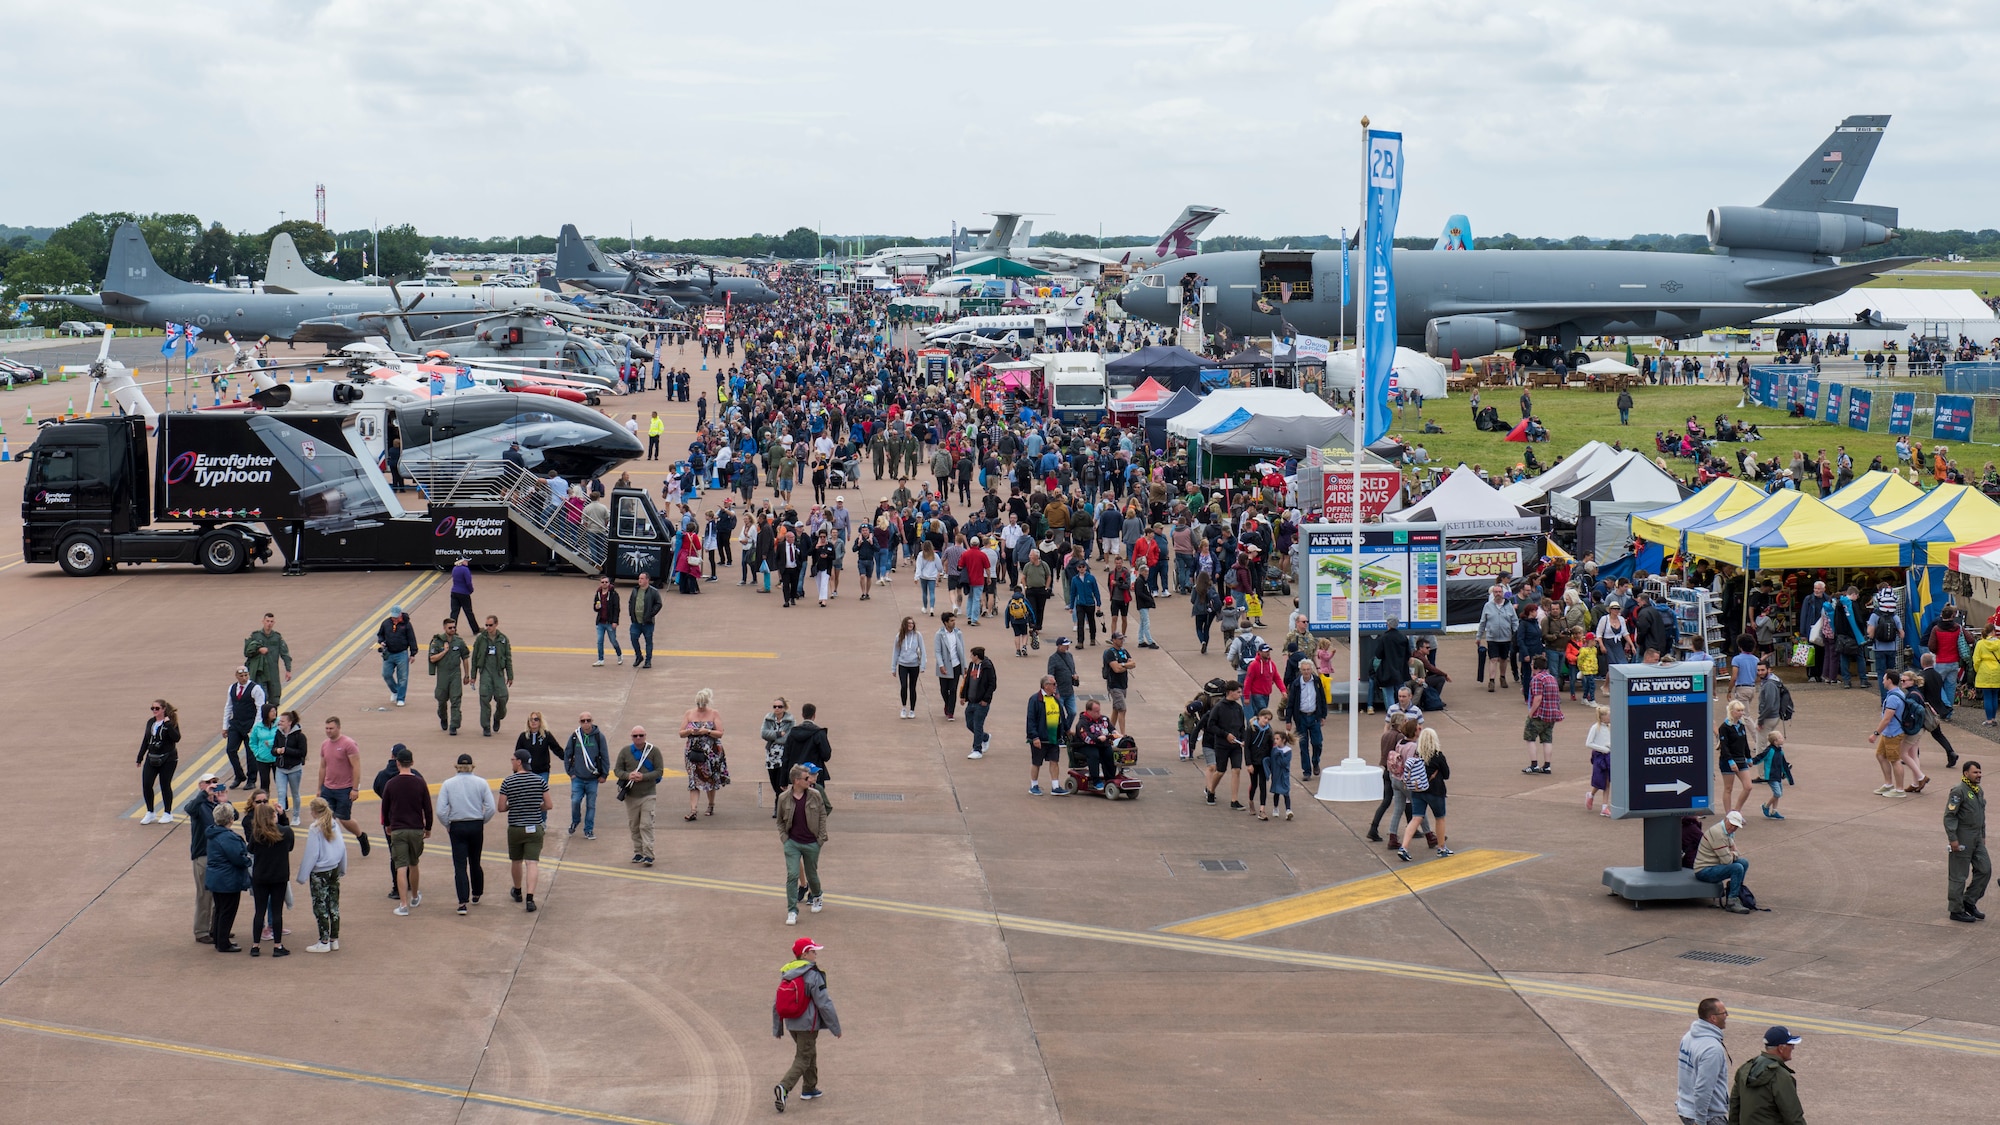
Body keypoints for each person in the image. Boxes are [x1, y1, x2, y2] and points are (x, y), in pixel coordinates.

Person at [772, 936, 842, 1112]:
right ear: (804, 954)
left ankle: (809, 1088)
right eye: (812, 951)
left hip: (792, 1025)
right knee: (803, 1057)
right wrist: (835, 1027)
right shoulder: (812, 975)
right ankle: (784, 1087)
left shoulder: (788, 973)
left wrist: (778, 1027)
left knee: (809, 1052)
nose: (815, 954)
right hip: (807, 1025)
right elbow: (824, 1003)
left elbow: (777, 1003)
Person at [437, 752, 497, 915]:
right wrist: (481, 820)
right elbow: (491, 807)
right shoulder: (481, 783)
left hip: (457, 825)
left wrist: (447, 824)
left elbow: (441, 811)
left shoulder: (448, 784)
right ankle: (477, 893)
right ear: (472, 767)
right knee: (475, 861)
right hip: (476, 824)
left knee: (460, 864)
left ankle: (462, 902)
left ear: (457, 767)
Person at [381, 745, 434, 916]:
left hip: (398, 829)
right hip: (416, 828)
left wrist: (388, 825)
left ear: (397, 762)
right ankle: (415, 896)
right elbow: (428, 808)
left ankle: (403, 905)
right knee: (414, 863)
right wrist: (428, 827)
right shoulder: (419, 782)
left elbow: (385, 808)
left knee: (401, 866)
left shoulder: (391, 784)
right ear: (412, 762)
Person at [497, 748, 552, 912]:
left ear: (519, 762)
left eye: (513, 759)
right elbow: (549, 805)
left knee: (516, 860)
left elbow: (501, 807)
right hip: (534, 826)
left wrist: (512, 806)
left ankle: (518, 890)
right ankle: (530, 898)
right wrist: (535, 807)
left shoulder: (508, 781)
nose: (512, 762)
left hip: (515, 827)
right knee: (532, 863)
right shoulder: (539, 781)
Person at [778, 765, 830, 926]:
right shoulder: (784, 798)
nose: (810, 780)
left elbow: (822, 815)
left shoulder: (815, 795)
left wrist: (820, 839)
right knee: (792, 875)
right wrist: (785, 838)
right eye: (806, 778)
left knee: (811, 874)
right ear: (796, 781)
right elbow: (780, 820)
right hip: (792, 843)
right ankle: (792, 910)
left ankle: (817, 895)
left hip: (812, 842)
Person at [243, 798, 293, 957]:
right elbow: (290, 847)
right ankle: (277, 946)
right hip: (279, 876)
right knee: (277, 911)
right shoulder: (285, 832)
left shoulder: (257, 834)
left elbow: (250, 850)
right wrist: (283, 816)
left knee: (259, 911)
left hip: (260, 877)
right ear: (273, 816)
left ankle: (255, 946)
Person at [297, 795, 347, 953]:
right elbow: (342, 847)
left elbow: (312, 854)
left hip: (320, 872)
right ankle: (334, 939)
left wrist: (302, 876)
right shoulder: (334, 824)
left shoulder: (315, 828)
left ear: (314, 811)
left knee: (320, 906)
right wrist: (342, 867)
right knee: (334, 905)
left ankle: (323, 941)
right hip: (334, 869)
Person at [315, 716, 371, 856]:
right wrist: (319, 788)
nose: (328, 731)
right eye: (326, 728)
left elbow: (356, 767)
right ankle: (331, 849)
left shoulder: (349, 744)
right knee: (326, 820)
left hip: (344, 789)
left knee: (344, 819)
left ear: (338, 728)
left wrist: (355, 788)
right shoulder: (325, 745)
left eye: (331, 728)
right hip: (328, 788)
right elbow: (323, 767)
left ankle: (360, 836)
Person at [1727, 1027, 1806, 1124]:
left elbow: (1734, 1107)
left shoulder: (1745, 1069)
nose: (1793, 1048)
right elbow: (1793, 1117)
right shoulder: (1781, 1076)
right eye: (1790, 1045)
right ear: (1781, 1048)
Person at [203, 800, 251, 952]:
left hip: (216, 878)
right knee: (228, 911)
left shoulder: (213, 833)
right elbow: (237, 858)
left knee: (219, 909)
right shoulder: (228, 837)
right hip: (228, 879)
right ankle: (223, 943)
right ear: (231, 819)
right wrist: (247, 860)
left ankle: (219, 939)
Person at [1675, 998, 1731, 1125]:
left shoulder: (1688, 1037)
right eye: (1724, 1013)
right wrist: (1700, 1121)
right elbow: (1703, 1088)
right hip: (1708, 1117)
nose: (1726, 1016)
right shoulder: (1712, 1049)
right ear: (1713, 1018)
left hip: (1686, 1109)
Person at [1946, 760, 1989, 923]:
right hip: (1962, 837)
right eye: (1975, 772)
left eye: (1979, 772)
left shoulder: (1978, 791)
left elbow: (1981, 816)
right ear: (1966, 774)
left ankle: (1969, 901)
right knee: (1958, 875)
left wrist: (1983, 835)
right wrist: (1953, 839)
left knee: (1985, 869)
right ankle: (1956, 910)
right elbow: (1949, 816)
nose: (1979, 775)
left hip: (1977, 837)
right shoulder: (1959, 791)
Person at [616, 726, 663, 866]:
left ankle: (648, 854)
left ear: (645, 735)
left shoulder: (654, 751)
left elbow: (659, 771)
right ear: (631, 737)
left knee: (646, 825)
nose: (638, 738)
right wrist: (628, 775)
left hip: (648, 794)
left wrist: (643, 777)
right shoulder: (625, 752)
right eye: (635, 736)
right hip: (631, 796)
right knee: (634, 825)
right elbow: (617, 770)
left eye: (641, 735)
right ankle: (638, 852)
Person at [681, 688, 730, 821]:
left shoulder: (714, 713)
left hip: (711, 752)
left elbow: (720, 733)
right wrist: (690, 731)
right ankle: (693, 810)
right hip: (693, 751)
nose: (700, 707)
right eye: (698, 704)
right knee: (693, 779)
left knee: (709, 778)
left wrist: (706, 731)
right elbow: (681, 732)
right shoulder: (689, 713)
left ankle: (710, 805)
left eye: (702, 705)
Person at [1201, 680, 1248, 809]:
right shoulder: (1219, 707)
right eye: (1238, 692)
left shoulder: (1238, 708)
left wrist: (1243, 739)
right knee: (1220, 771)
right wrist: (1225, 735)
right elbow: (1211, 725)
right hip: (1222, 745)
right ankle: (1211, 790)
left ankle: (1234, 800)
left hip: (1236, 746)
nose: (1241, 695)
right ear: (1230, 692)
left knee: (1236, 770)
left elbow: (1242, 727)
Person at [1694, 810, 1753, 914]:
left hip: (1715, 864)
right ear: (1726, 820)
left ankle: (1736, 892)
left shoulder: (1726, 831)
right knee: (1737, 868)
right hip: (1704, 870)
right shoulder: (1718, 834)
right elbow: (1727, 860)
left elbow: (1733, 853)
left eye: (1736, 826)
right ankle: (1732, 902)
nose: (1733, 828)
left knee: (1744, 862)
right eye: (1732, 825)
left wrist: (1732, 853)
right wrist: (1734, 853)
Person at [1026, 674, 1074, 796]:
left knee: (1054, 761)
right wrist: (1034, 737)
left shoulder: (1055, 699)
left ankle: (1055, 786)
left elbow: (1061, 717)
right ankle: (1034, 786)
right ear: (1045, 685)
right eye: (1053, 684)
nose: (1055, 686)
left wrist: (1067, 731)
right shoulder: (1035, 700)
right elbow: (1031, 720)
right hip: (1040, 739)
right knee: (1036, 762)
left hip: (1053, 738)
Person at [564, 712, 610, 838]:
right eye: (583, 721)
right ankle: (575, 820)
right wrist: (570, 772)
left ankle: (588, 829)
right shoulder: (575, 737)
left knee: (591, 805)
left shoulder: (599, 737)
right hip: (577, 778)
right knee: (575, 801)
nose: (586, 723)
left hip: (592, 779)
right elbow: (567, 754)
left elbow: (605, 756)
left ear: (592, 721)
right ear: (579, 722)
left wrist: (604, 774)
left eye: (588, 720)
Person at [1870, 671, 1914, 798]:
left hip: (1893, 733)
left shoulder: (1893, 698)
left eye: (1884, 679)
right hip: (1889, 733)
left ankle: (1899, 790)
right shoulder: (1896, 694)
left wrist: (1875, 734)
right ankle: (1888, 784)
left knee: (1895, 760)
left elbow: (1887, 719)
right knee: (1880, 755)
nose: (1883, 681)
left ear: (1889, 680)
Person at [137, 699, 182, 824]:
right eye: (152, 708)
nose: (154, 711)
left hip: (168, 759)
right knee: (146, 784)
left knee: (164, 785)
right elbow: (146, 740)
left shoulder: (170, 722)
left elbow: (177, 738)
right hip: (152, 757)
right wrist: (140, 757)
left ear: (163, 709)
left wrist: (168, 725)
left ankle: (168, 813)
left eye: (157, 708)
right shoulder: (151, 722)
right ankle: (150, 812)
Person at [222, 665, 266, 789]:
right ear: (236, 676)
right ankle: (239, 775)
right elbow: (228, 707)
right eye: (241, 676)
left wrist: (255, 727)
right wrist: (225, 726)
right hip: (236, 723)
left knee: (250, 752)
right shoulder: (232, 688)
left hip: (250, 724)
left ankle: (251, 779)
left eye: (246, 675)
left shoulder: (255, 689)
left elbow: (260, 708)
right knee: (230, 750)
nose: (244, 678)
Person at [472, 616, 514, 737]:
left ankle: (497, 717)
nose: (488, 628)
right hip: (485, 672)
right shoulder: (481, 639)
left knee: (503, 698)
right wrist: (473, 675)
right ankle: (486, 726)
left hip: (498, 673)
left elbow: (508, 658)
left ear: (496, 624)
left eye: (490, 625)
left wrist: (510, 675)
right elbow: (475, 657)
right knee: (484, 698)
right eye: (486, 625)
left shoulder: (503, 639)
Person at [428, 618, 472, 736]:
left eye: (454, 627)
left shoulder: (459, 642)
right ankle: (443, 716)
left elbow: (465, 658)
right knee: (441, 699)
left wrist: (467, 675)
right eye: (450, 628)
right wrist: (444, 651)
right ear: (444, 628)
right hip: (443, 674)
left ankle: (454, 725)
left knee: (456, 699)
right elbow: (432, 658)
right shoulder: (437, 642)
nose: (453, 629)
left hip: (455, 674)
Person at [1523, 654, 1564, 774]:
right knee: (1547, 740)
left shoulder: (1537, 679)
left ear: (1535, 666)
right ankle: (1547, 765)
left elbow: (1538, 698)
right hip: (1552, 714)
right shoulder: (1551, 678)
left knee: (1530, 738)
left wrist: (1531, 713)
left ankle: (1534, 764)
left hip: (1539, 714)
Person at [243, 612, 292, 708]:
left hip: (273, 672)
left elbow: (285, 653)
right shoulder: (255, 636)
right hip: (260, 673)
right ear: (263, 621)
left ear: (274, 623)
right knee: (261, 699)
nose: (269, 623)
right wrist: (258, 650)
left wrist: (288, 670)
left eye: (271, 621)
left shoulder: (277, 637)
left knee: (274, 699)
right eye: (267, 621)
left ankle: (272, 721)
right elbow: (247, 652)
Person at [1717, 700, 1755, 815]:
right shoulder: (1724, 727)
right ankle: (1728, 814)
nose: (1741, 713)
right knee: (1728, 788)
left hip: (1740, 759)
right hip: (1728, 760)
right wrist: (1730, 761)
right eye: (1738, 710)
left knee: (1748, 786)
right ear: (1731, 711)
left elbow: (1745, 743)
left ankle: (1736, 811)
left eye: (1742, 710)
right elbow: (1724, 746)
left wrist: (1748, 757)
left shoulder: (1741, 725)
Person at [375, 604, 416, 706]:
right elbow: (380, 635)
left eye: (396, 616)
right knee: (386, 674)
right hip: (389, 653)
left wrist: (413, 653)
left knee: (403, 677)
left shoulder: (406, 624)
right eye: (393, 616)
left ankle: (401, 698)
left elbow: (412, 638)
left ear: (400, 614)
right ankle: (395, 691)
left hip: (402, 653)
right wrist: (382, 641)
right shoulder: (386, 623)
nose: (394, 618)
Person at [961, 646, 996, 760]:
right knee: (969, 724)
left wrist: (986, 699)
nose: (970, 657)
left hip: (981, 703)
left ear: (976, 656)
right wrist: (963, 696)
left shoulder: (987, 667)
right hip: (971, 701)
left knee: (977, 725)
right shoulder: (972, 665)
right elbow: (967, 681)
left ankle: (977, 749)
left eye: (971, 655)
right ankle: (985, 737)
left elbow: (992, 684)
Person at [1477, 586, 1516, 691]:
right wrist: (1478, 636)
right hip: (1492, 638)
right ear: (1493, 593)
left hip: (1506, 637)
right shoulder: (1487, 606)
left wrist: (1516, 635)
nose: (1498, 594)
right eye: (1496, 592)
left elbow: (1514, 621)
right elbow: (1482, 622)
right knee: (1493, 659)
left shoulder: (1509, 606)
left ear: (1503, 593)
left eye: (1500, 592)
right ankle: (1491, 681)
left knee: (1503, 659)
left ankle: (1502, 677)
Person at [762, 699, 797, 812]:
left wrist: (773, 737)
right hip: (771, 756)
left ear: (784, 708)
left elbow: (788, 737)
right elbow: (763, 733)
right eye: (775, 706)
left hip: (783, 755)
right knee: (773, 780)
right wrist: (778, 734)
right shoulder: (768, 718)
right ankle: (780, 802)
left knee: (781, 782)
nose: (777, 709)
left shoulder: (790, 721)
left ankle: (778, 805)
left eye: (780, 706)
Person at [273, 710, 307, 820]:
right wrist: (277, 751)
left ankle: (296, 816)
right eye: (279, 721)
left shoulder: (300, 736)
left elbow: (302, 753)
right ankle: (281, 817)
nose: (280, 723)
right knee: (281, 793)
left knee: (295, 794)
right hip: (280, 769)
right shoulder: (278, 733)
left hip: (294, 769)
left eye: (282, 721)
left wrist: (286, 750)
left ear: (289, 722)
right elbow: (273, 749)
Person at [891, 616, 927, 719]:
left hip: (914, 665)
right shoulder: (899, 636)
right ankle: (903, 707)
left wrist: (923, 665)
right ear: (904, 625)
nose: (910, 625)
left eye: (912, 623)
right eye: (908, 623)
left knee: (912, 687)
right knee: (903, 686)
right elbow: (895, 652)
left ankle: (912, 710)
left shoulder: (917, 635)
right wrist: (893, 667)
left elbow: (923, 650)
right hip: (903, 664)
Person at [1754, 730, 1794, 820]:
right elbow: (1760, 757)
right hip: (1771, 776)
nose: (1782, 738)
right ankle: (1766, 806)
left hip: (1778, 776)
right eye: (1780, 738)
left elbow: (1784, 765)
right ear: (1775, 741)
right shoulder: (1770, 750)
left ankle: (1774, 811)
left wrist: (1789, 778)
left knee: (1778, 793)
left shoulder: (1780, 751)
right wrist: (1750, 761)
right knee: (1777, 793)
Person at [934, 612, 967, 721]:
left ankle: (951, 712)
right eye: (951, 621)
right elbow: (937, 652)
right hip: (945, 665)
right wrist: (941, 665)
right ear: (945, 622)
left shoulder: (958, 633)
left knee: (953, 689)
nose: (954, 623)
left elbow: (962, 650)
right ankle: (947, 704)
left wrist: (964, 665)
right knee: (944, 689)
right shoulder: (939, 635)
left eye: (954, 620)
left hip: (956, 665)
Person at [1101, 632, 1134, 735]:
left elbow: (1133, 664)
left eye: (1122, 638)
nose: (1122, 641)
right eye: (1120, 639)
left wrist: (1122, 665)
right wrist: (1126, 665)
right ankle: (1123, 734)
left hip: (1123, 684)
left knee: (1116, 709)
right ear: (1114, 640)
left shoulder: (1124, 651)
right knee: (1122, 709)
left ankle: (1109, 731)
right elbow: (1116, 669)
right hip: (1114, 685)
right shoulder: (1109, 653)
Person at [628, 571, 663, 668]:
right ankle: (639, 656)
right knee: (633, 638)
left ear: (647, 580)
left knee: (648, 641)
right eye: (639, 578)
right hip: (636, 621)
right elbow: (631, 602)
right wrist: (631, 613)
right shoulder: (635, 590)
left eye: (642, 578)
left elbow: (659, 604)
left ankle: (648, 661)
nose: (639, 580)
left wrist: (651, 614)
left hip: (647, 622)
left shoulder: (653, 591)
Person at [1585, 705, 1614, 815]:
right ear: (1602, 717)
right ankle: (1591, 794)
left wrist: (1610, 746)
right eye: (1608, 715)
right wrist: (1603, 749)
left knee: (1607, 781)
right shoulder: (1595, 728)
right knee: (1599, 780)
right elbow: (1588, 743)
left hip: (1609, 756)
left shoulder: (1610, 727)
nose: (1610, 717)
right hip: (1599, 757)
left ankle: (1604, 807)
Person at [591, 577, 623, 667]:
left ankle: (619, 654)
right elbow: (595, 606)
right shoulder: (598, 593)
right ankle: (600, 659)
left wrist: (615, 621)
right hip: (600, 622)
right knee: (600, 641)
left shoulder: (614, 594)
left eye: (606, 582)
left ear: (609, 583)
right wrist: (596, 607)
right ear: (600, 583)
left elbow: (617, 609)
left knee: (613, 640)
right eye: (602, 582)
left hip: (609, 622)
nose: (604, 583)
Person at [247, 703, 279, 795]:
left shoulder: (279, 724)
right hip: (262, 759)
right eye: (272, 711)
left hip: (276, 757)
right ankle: (264, 804)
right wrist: (258, 753)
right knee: (264, 783)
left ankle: (284, 804)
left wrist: (270, 743)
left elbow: (282, 738)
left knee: (280, 783)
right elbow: (252, 742)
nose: (274, 713)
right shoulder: (257, 727)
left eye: (275, 710)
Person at [1266, 728, 1295, 821]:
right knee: (1276, 792)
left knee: (1286, 792)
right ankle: (1275, 807)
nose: (1275, 741)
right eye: (1275, 739)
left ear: (1283, 740)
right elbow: (1271, 761)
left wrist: (1279, 755)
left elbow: (1285, 763)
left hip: (1284, 775)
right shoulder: (1274, 750)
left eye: (1277, 739)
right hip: (1276, 774)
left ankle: (1288, 810)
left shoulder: (1288, 751)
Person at [448, 559, 477, 633]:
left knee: (454, 612)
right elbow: (468, 582)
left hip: (454, 592)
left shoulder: (454, 569)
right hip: (464, 593)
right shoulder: (465, 570)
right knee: (468, 612)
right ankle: (475, 629)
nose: (467, 562)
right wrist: (471, 590)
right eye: (466, 560)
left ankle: (451, 630)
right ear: (462, 561)